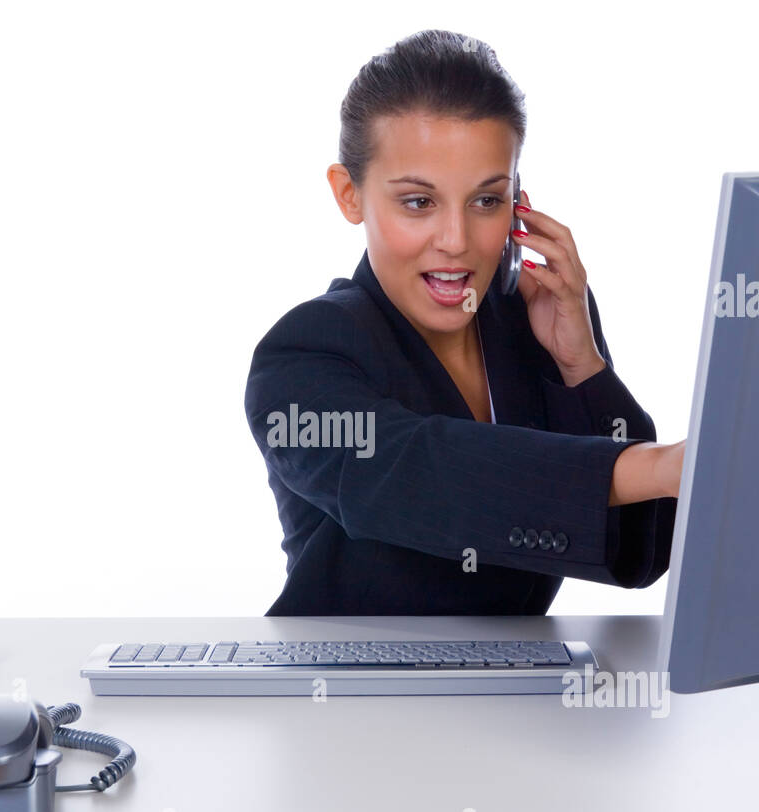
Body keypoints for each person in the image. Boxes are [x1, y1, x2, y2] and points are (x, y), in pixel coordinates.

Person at [244, 29, 685, 616]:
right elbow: (430, 473)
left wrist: (583, 369)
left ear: (518, 202)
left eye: (485, 201)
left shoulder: (533, 323)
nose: (456, 242)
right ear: (350, 195)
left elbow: (640, 552)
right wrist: (659, 464)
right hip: (342, 696)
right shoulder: (303, 356)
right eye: (418, 202)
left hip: (513, 698)